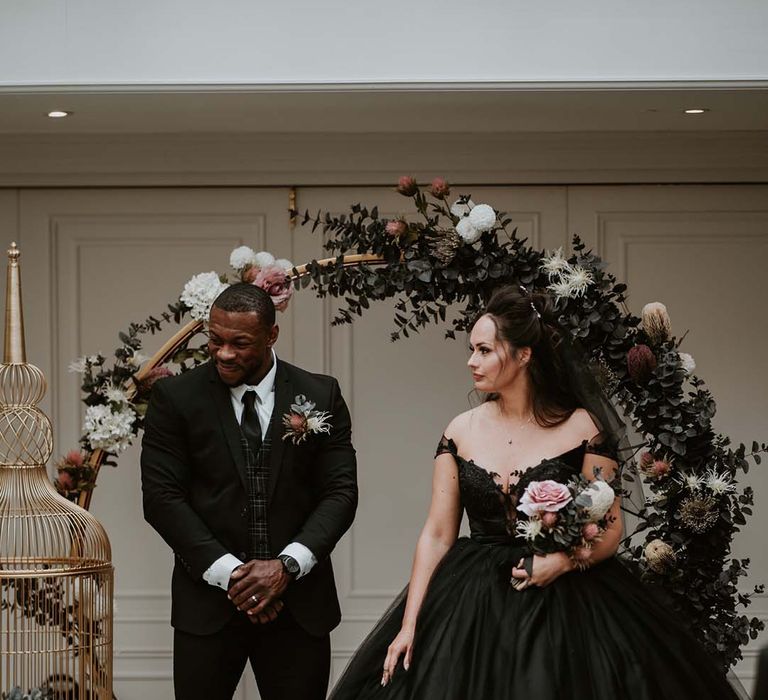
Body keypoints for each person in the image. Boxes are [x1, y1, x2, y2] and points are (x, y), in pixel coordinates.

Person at [329, 285, 739, 700]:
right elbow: (437, 534)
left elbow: (611, 526)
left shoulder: (583, 429)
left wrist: (561, 562)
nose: (472, 361)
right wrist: (410, 624)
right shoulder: (459, 431)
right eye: (472, 349)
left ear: (524, 355)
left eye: (485, 350)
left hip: (569, 602)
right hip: (469, 601)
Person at [141, 282, 357, 700]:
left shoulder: (319, 394)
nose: (224, 353)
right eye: (215, 340)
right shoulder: (175, 397)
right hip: (206, 607)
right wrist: (235, 577)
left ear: (271, 335)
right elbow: (162, 499)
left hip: (298, 608)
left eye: (239, 343)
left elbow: (340, 493)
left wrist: (286, 567)